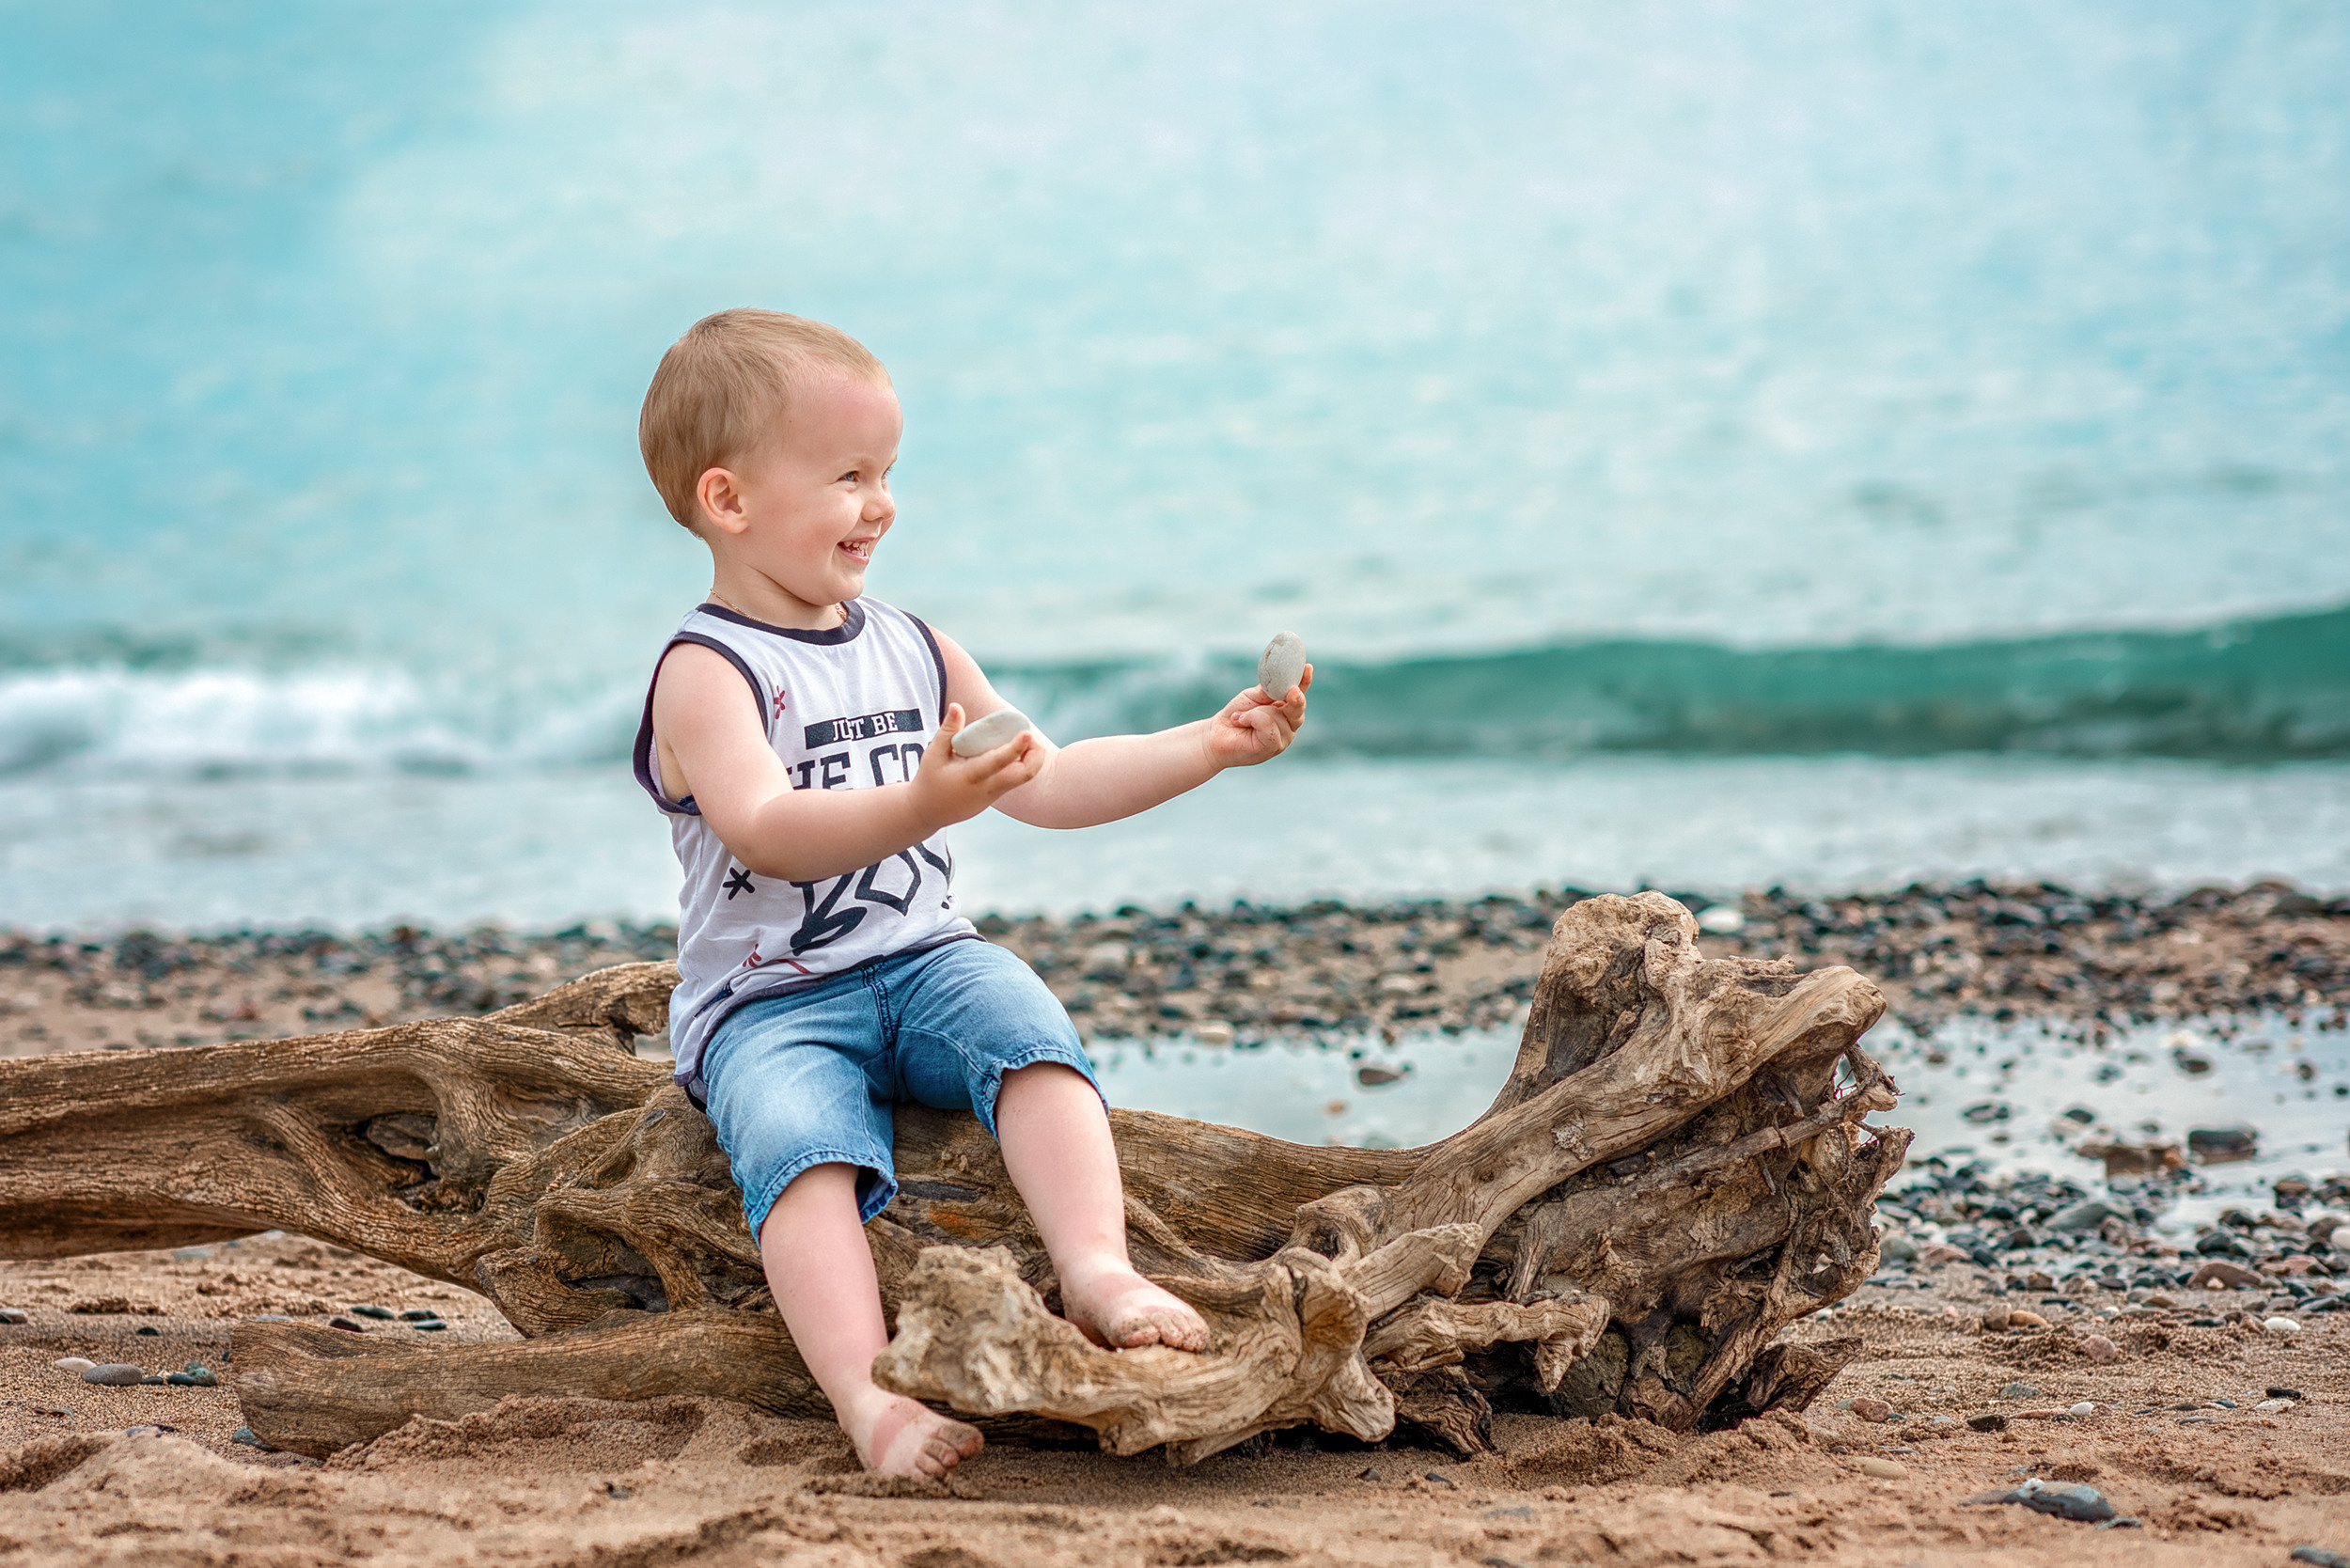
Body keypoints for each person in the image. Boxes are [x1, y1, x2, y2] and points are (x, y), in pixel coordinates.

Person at [632, 309, 1312, 1478]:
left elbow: (1046, 781)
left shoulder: (913, 645)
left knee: (1028, 1031)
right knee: (802, 1151)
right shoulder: (707, 672)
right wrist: (925, 804)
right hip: (769, 1001)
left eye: (886, 473)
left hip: (922, 960)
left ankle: (1096, 1265)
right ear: (729, 501)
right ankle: (868, 1396)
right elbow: (772, 830)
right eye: (846, 476)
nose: (880, 504)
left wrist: (1206, 744)